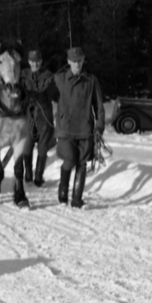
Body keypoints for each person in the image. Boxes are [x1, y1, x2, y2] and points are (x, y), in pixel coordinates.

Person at [46, 46, 104, 209]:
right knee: (70, 158)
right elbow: (46, 93)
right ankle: (62, 190)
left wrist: (99, 127)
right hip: (65, 129)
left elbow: (99, 106)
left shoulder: (91, 81)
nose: (77, 64)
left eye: (80, 60)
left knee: (82, 163)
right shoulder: (59, 79)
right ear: (68, 62)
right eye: (74, 61)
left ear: (84, 60)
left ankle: (77, 199)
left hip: (85, 130)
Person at [18, 48, 55, 187]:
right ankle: (28, 173)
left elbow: (50, 93)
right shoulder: (22, 75)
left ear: (41, 61)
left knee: (43, 146)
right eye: (33, 61)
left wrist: (37, 94)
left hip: (44, 115)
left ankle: (39, 175)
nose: (35, 64)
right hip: (28, 114)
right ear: (28, 62)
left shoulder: (48, 75)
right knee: (27, 145)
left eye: (38, 61)